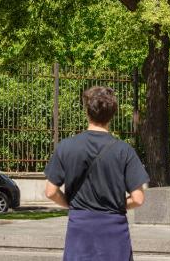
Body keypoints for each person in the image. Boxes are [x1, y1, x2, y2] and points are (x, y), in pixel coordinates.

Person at [44, 86, 149, 261]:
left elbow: (50, 192)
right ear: (112, 114)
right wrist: (115, 205)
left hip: (80, 230)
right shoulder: (124, 150)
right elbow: (138, 199)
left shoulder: (66, 147)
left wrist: (72, 205)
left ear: (87, 112)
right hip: (114, 232)